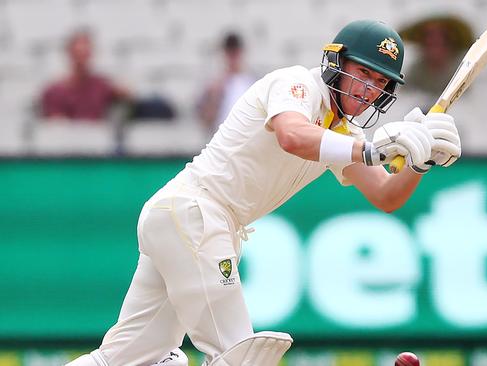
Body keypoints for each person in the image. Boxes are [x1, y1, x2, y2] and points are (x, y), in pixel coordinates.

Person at [66, 20, 461, 366]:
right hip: (195, 213)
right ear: (336, 65)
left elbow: (386, 195)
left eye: (380, 82)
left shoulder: (343, 132)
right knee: (241, 357)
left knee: (122, 358)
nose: (370, 89)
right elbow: (292, 135)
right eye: (363, 73)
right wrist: (372, 150)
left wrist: (419, 163)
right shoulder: (296, 84)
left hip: (184, 222)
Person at [40, 29, 130, 121]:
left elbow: (126, 95)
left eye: (86, 54)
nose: (82, 60)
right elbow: (55, 126)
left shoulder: (101, 86)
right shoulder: (54, 92)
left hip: (98, 133)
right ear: (69, 53)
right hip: (69, 134)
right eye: (78, 54)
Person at [196, 32, 257, 135]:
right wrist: (215, 97)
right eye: (229, 52)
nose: (232, 57)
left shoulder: (252, 83)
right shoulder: (214, 85)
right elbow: (206, 122)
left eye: (235, 52)